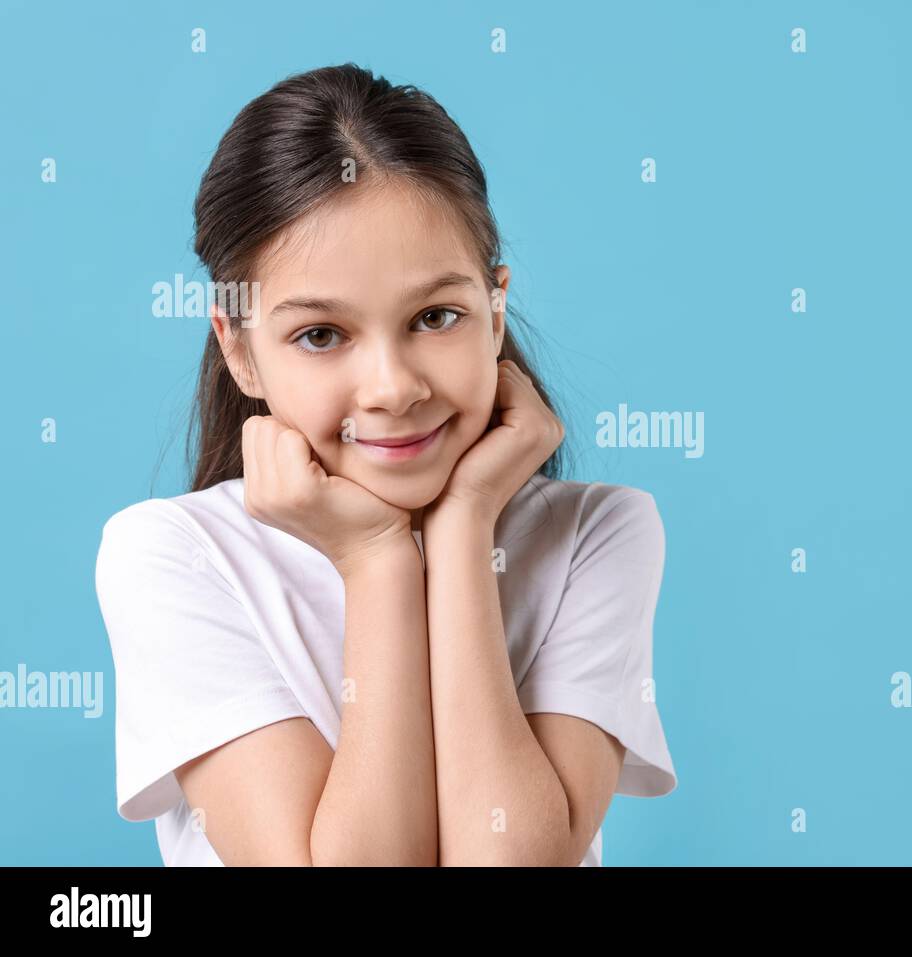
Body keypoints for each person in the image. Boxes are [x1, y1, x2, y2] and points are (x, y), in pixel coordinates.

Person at [94, 63, 676, 866]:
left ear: (494, 308)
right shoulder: (173, 556)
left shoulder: (597, 534)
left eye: (436, 316)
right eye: (321, 334)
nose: (394, 388)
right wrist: (377, 564)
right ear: (242, 351)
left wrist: (465, 525)